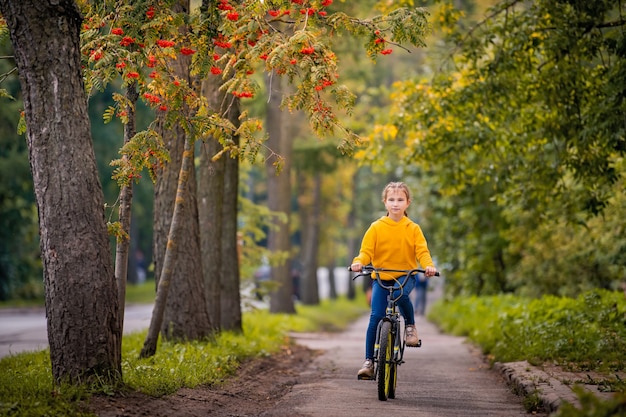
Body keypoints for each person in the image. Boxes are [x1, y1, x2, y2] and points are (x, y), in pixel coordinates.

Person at [350, 181, 438, 380]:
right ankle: (369, 362)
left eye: (400, 200)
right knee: (376, 316)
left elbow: (422, 252)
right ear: (385, 202)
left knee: (399, 295)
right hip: (381, 276)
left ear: (408, 203)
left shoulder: (413, 228)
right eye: (391, 199)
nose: (395, 203)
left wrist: (428, 266)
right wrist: (358, 262)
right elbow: (366, 252)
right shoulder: (376, 227)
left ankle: (410, 326)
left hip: (404, 276)